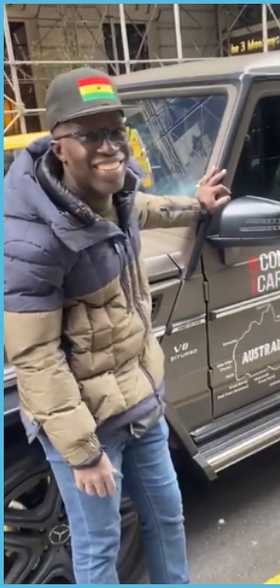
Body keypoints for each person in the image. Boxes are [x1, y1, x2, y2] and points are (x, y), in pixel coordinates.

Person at [3, 67, 230, 583]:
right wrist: (83, 455)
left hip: (140, 403)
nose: (110, 147)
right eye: (91, 135)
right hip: (87, 427)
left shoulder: (115, 193)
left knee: (168, 520)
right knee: (99, 547)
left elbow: (139, 208)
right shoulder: (29, 239)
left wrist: (196, 205)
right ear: (59, 146)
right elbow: (35, 357)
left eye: (116, 131)